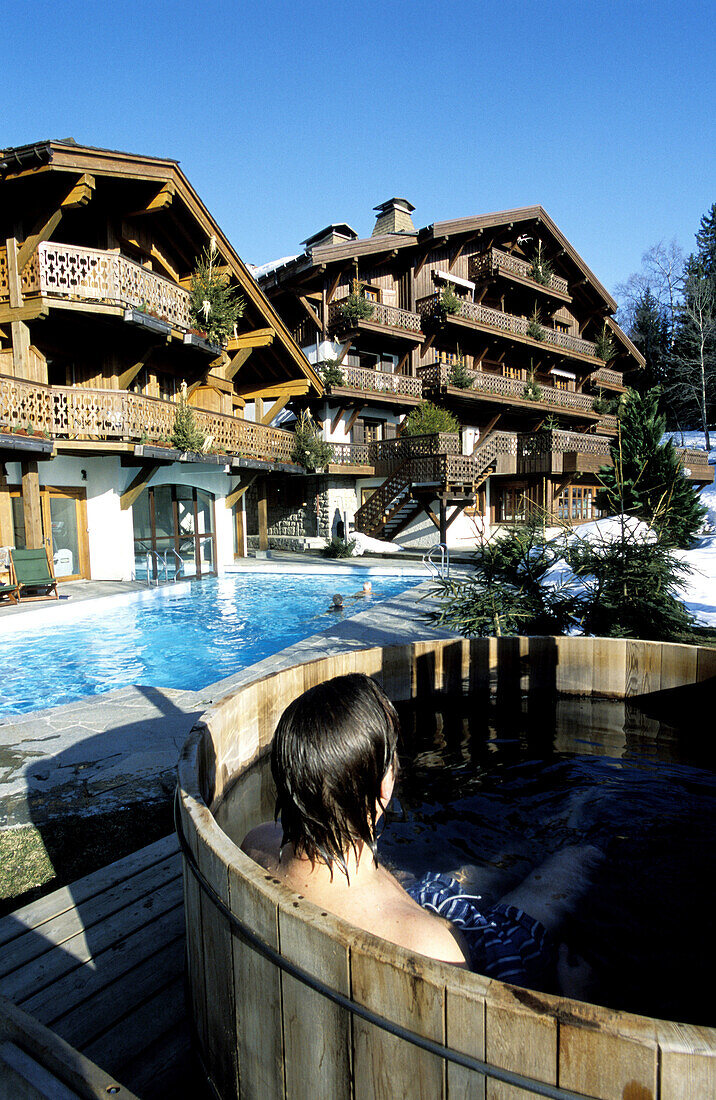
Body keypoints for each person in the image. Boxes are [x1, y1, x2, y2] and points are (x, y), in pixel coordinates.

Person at [242, 673, 600, 989]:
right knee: (577, 859)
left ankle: (528, 851)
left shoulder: (260, 842)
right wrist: (572, 996)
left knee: (492, 871)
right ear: (383, 789)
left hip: (411, 900)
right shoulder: (433, 951)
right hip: (485, 950)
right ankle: (581, 814)